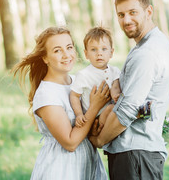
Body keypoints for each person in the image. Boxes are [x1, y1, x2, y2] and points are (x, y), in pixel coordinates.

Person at [89, 0, 169, 180]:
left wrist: (98, 140)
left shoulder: (147, 53)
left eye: (132, 12)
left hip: (135, 155)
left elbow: (128, 109)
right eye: (121, 14)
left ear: (149, 12)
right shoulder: (147, 45)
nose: (126, 20)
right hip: (136, 154)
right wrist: (116, 84)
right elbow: (140, 100)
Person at [12, 27, 109, 180]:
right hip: (61, 169)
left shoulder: (77, 82)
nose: (66, 55)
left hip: (88, 164)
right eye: (57, 51)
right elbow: (70, 143)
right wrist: (95, 106)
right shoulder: (47, 94)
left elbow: (88, 126)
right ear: (45, 58)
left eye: (69, 47)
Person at [70, 27, 121, 128]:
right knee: (112, 108)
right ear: (86, 54)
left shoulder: (114, 71)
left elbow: (115, 86)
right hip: (94, 118)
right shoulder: (83, 74)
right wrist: (79, 114)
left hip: (110, 113)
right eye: (93, 50)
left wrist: (116, 95)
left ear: (111, 52)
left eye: (104, 49)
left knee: (116, 109)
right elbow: (74, 96)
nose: (99, 53)